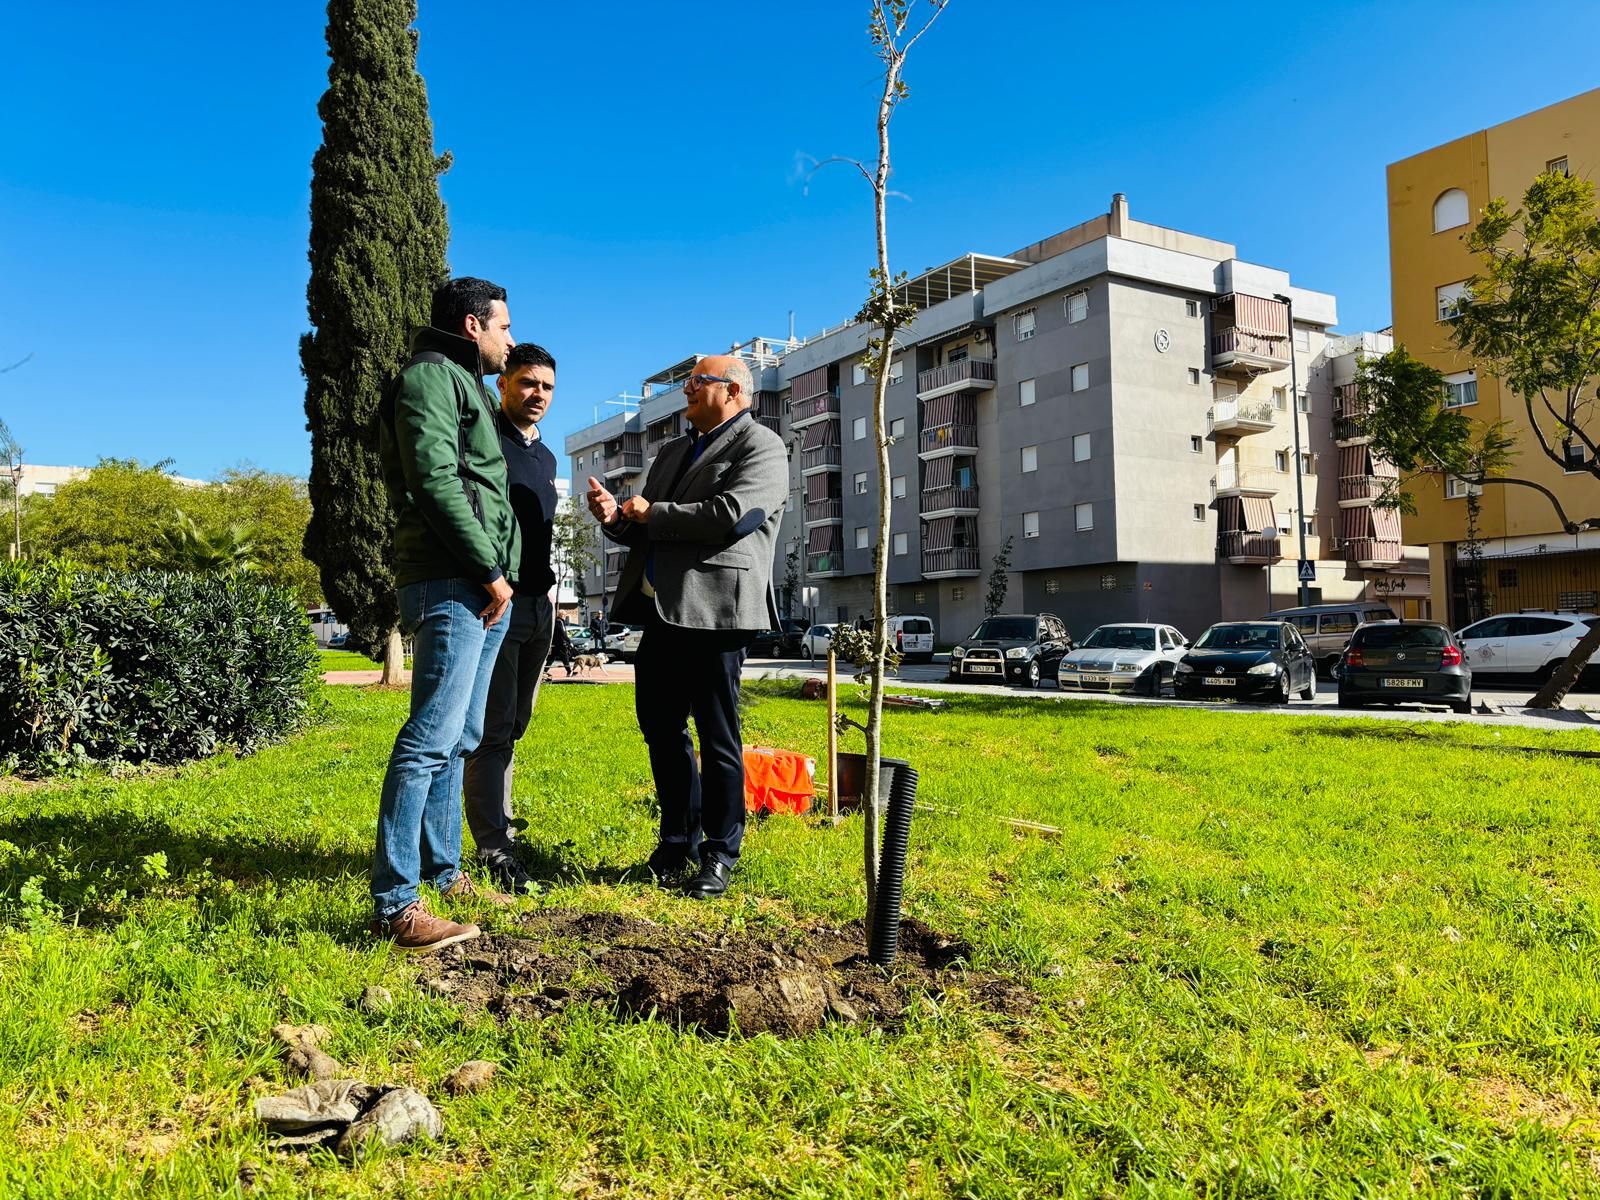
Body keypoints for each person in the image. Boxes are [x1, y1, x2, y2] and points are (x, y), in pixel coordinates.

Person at [586, 355, 787, 900]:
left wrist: (652, 513)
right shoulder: (673, 451)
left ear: (734, 391)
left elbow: (733, 516)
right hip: (661, 613)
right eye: (686, 382)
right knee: (661, 729)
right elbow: (649, 529)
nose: (687, 390)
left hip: (718, 614)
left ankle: (720, 853)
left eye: (699, 381)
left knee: (718, 738)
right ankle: (677, 840)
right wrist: (616, 519)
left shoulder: (762, 446)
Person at [371, 276, 521, 953]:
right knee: (430, 738)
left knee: (460, 737)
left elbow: (484, 489)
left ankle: (443, 873)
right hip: (454, 580)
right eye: (504, 327)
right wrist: (487, 569)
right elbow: (433, 479)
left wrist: (500, 575)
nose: (510, 340)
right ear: (472, 325)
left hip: (482, 586)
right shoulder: (431, 377)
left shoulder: (469, 386)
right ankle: (396, 905)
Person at [462, 343, 560, 895]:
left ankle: (498, 821)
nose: (537, 394)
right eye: (527, 382)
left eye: (547, 387)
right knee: (492, 729)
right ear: (503, 385)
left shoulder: (545, 457)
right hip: (497, 601)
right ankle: (493, 845)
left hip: (540, 606)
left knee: (515, 725)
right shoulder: (486, 442)